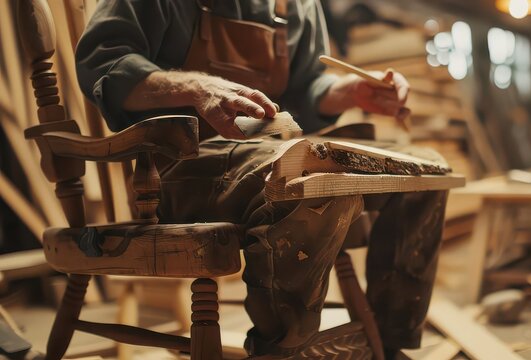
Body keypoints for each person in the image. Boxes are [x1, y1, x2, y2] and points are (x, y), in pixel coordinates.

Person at [76, 1, 449, 358]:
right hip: (176, 167)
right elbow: (103, 61)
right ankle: (283, 351)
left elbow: (307, 86)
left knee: (425, 169)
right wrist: (194, 87)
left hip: (265, 153)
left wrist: (349, 91)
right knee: (305, 179)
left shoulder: (295, 5)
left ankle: (388, 343)